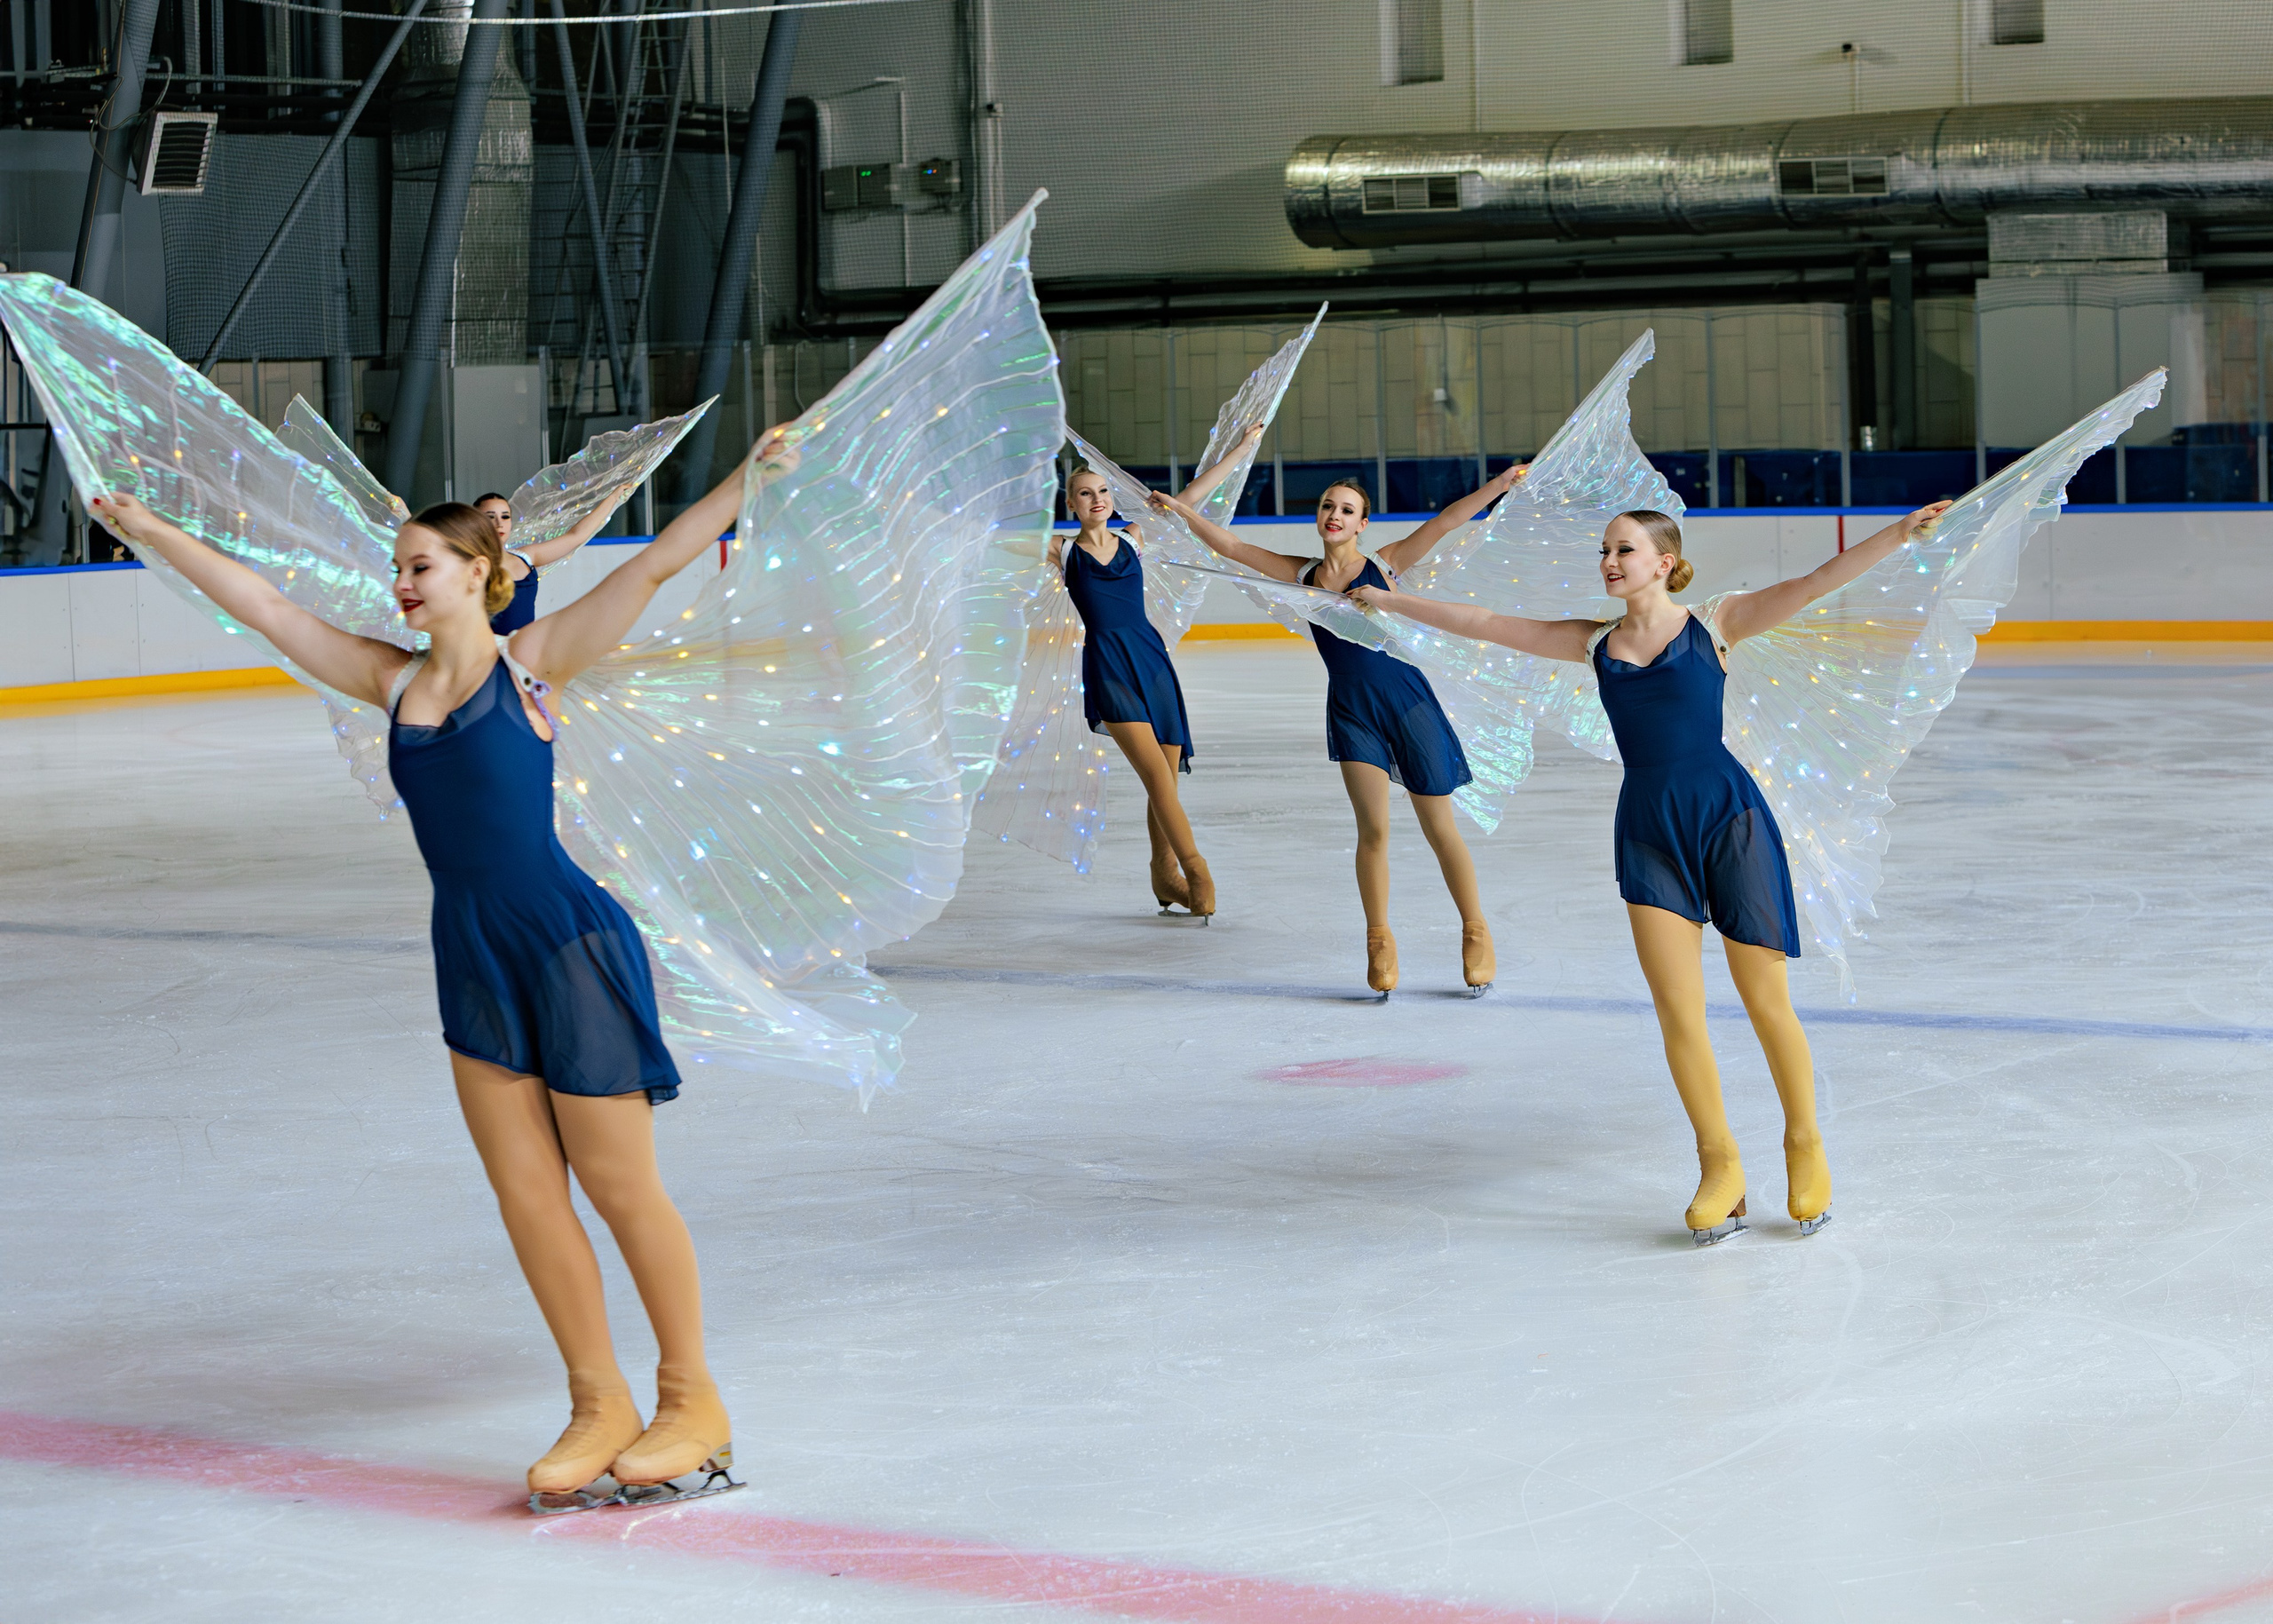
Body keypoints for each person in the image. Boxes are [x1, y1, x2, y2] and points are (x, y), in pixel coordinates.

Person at [83, 434, 783, 1509]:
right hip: (468, 952)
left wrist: (749, 480)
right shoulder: (390, 677)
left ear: (476, 573)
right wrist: (149, 531)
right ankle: (596, 1400)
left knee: (617, 1183)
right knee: (525, 1194)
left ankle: (692, 1395)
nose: (400, 583)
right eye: (397, 567)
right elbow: (266, 607)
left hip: (566, 941)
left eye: (419, 565)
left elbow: (652, 564)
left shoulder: (532, 661)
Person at [1346, 501, 1951, 1241]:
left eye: (1624, 550)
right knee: (1678, 1013)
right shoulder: (1592, 642)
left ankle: (1803, 1144)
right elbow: (1482, 622)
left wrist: (1898, 533)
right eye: (1605, 549)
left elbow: (1819, 579)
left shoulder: (1714, 624)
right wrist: (1390, 600)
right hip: (1647, 831)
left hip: (1730, 822)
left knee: (1766, 1002)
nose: (1609, 561)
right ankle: (1720, 1163)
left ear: (1664, 562)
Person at [1147, 463, 1528, 995]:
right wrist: (1184, 511)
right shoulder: (1302, 576)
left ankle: (1475, 930)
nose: (1334, 514)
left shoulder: (1385, 563)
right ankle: (1379, 941)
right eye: (1328, 505)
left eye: (1347, 509)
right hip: (1351, 710)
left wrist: (1501, 485)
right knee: (1372, 830)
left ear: (1362, 524)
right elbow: (1231, 549)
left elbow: (1445, 522)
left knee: (1439, 826)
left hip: (1409, 704)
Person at [1049, 427, 1260, 919]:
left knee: (1167, 777)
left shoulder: (1134, 538)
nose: (1097, 499)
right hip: (1109, 666)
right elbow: (985, 542)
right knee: (1156, 778)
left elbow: (1191, 498)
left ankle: (1164, 874)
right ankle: (1195, 868)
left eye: (1103, 491)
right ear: (1072, 503)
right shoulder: (1061, 550)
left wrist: (1242, 451)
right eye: (1086, 493)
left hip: (1153, 660)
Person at [474, 484, 636, 635]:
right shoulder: (469, 565)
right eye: (490, 517)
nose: (499, 524)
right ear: (474, 522)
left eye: (505, 517)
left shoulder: (526, 557)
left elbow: (576, 536)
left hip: (522, 653)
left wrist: (614, 499)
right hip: (485, 655)